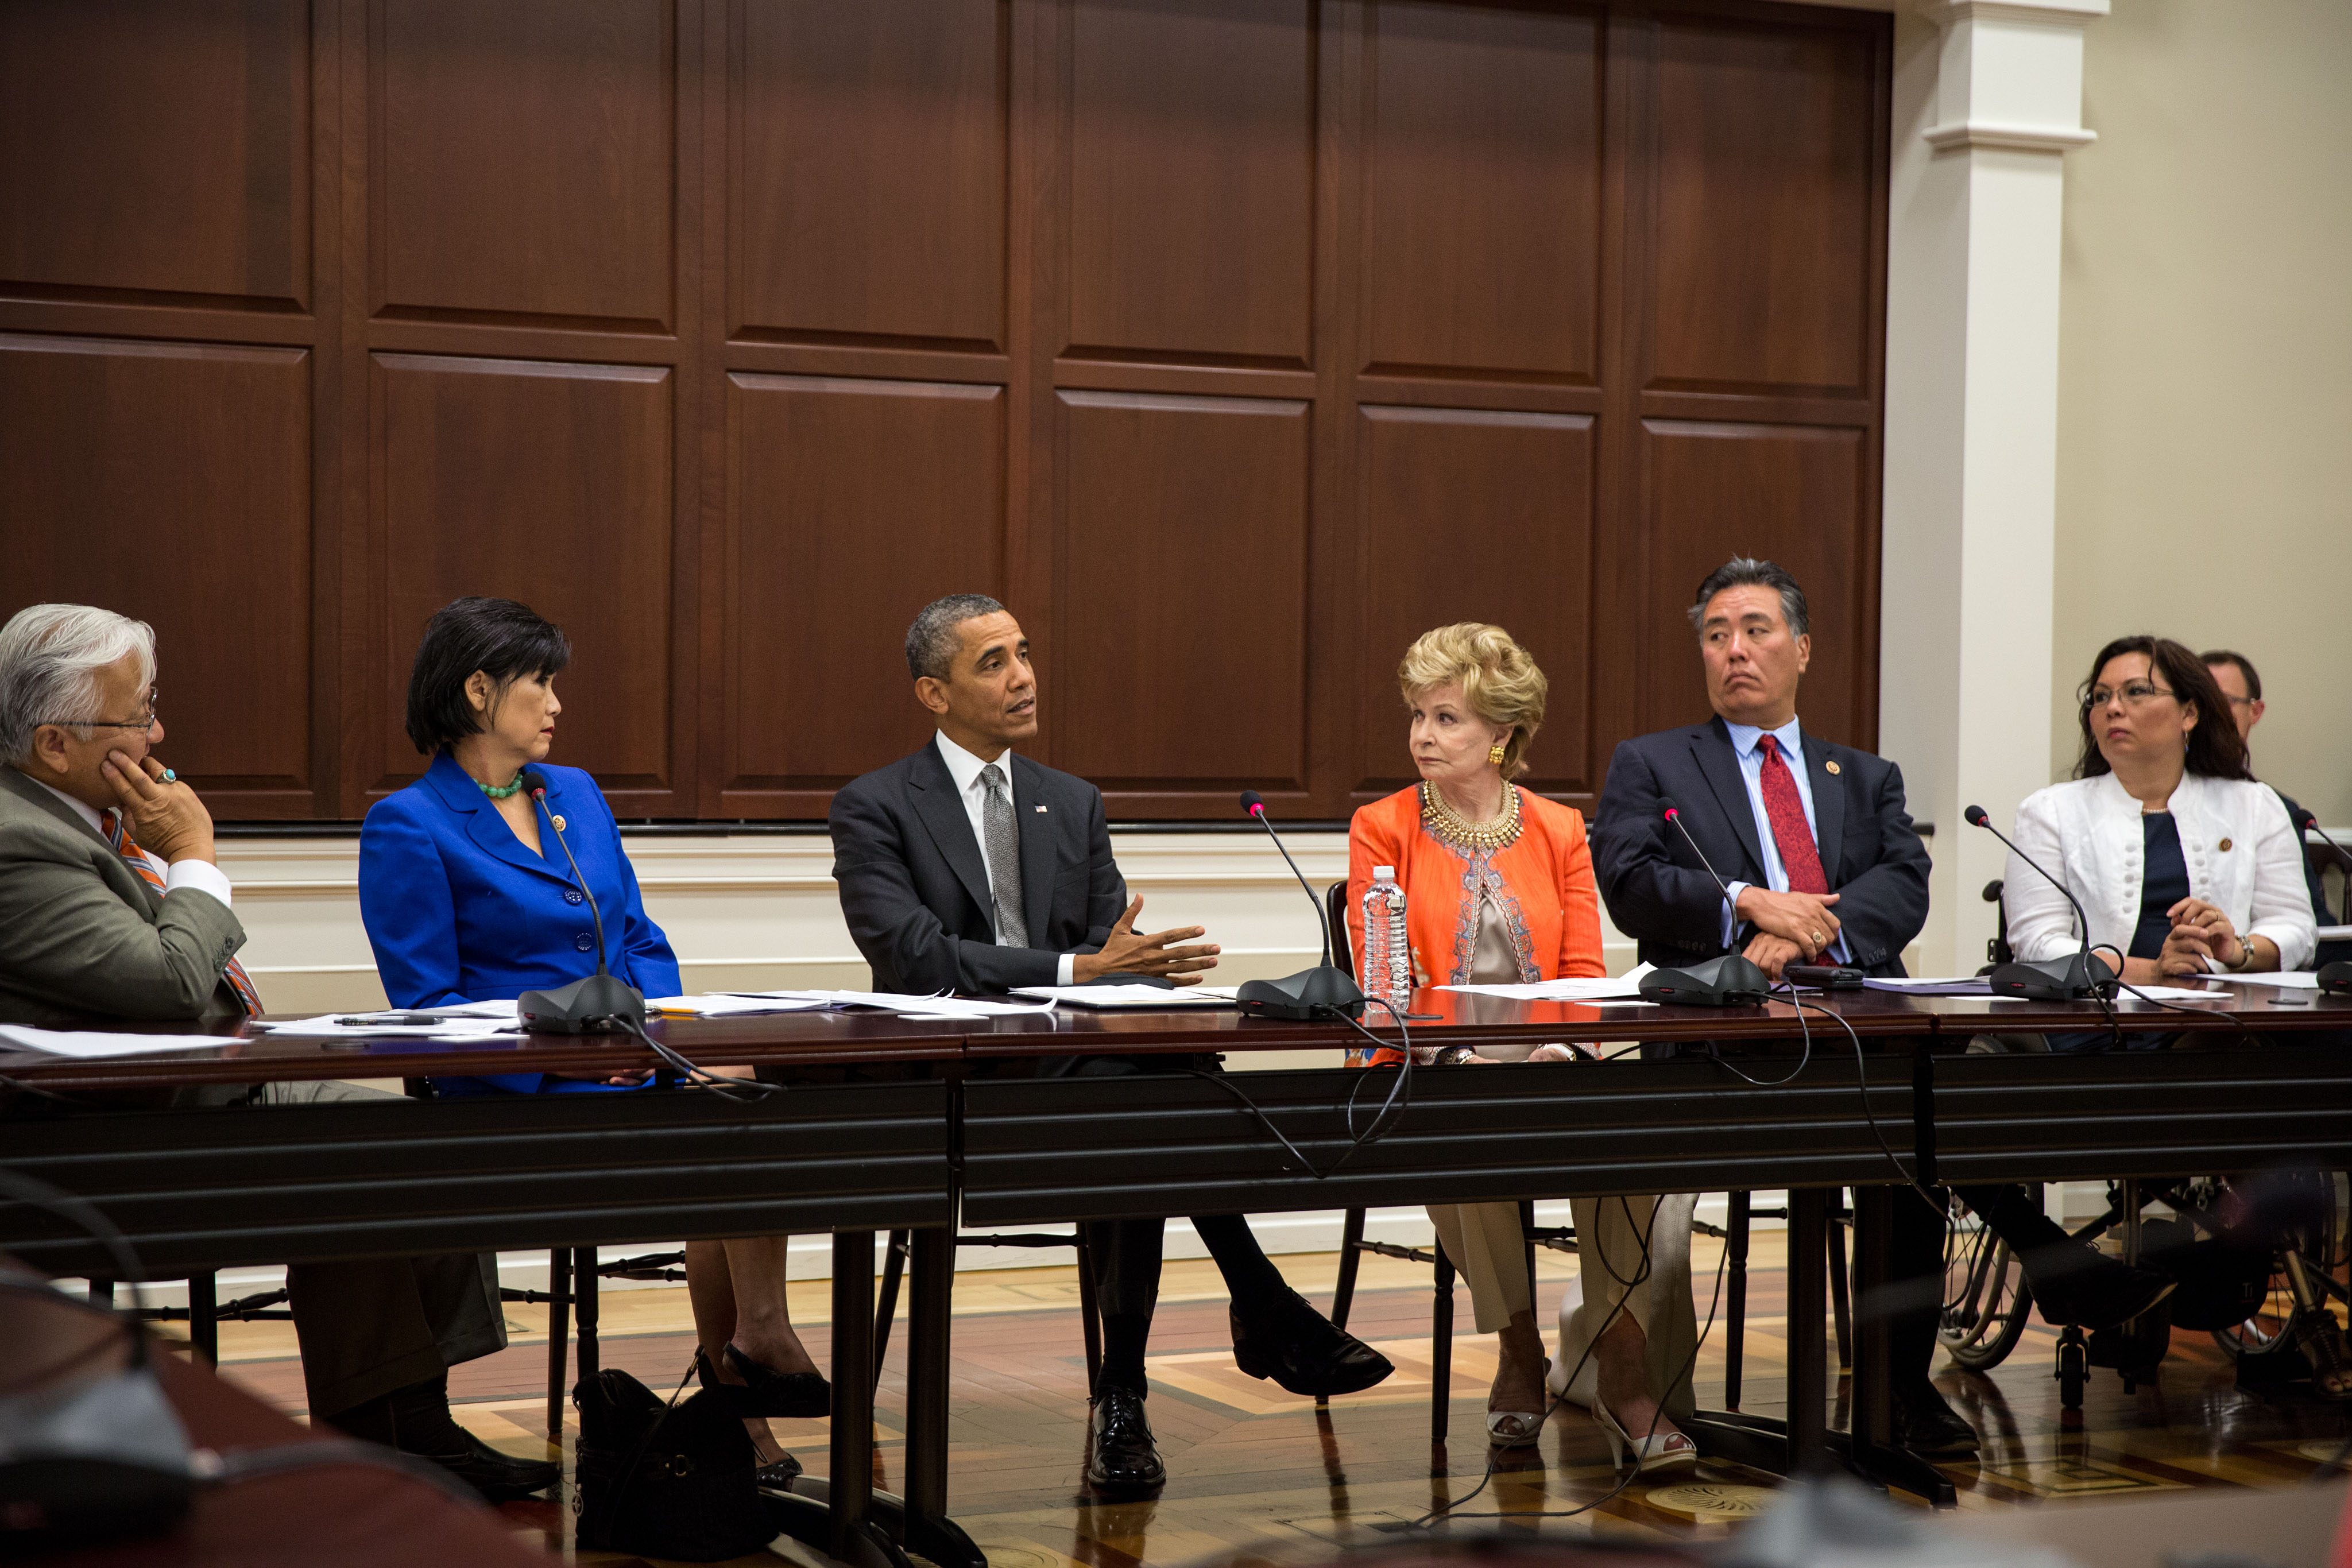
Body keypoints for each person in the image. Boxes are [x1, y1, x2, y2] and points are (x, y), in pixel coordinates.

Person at [830, 593, 1392, 1492]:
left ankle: (1132, 1386)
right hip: (958, 1076)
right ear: (933, 694)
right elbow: (913, 953)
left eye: (1023, 653)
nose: (1023, 676)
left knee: (1146, 1086)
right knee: (1158, 1089)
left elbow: (1113, 956)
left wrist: (1135, 973)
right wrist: (1081, 967)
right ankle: (1248, 1311)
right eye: (993, 663)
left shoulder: (1070, 802)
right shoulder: (875, 806)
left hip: (1084, 1074)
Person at [0, 603, 555, 1503]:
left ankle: (410, 1423)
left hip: (183, 1087)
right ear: (56, 741)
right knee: (374, 1144)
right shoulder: (18, 838)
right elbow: (171, 980)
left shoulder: (76, 812)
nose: (158, 732)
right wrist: (193, 853)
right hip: (107, 1130)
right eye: (137, 714)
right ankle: (386, 1433)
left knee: (415, 1130)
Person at [357, 597, 822, 1485]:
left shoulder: (572, 793)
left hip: (633, 1071)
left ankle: (750, 1346)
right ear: (481, 689)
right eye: (542, 682)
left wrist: (649, 1033)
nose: (558, 703)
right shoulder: (408, 823)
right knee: (721, 1120)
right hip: (517, 1102)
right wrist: (565, 1057)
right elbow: (428, 1007)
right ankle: (742, 1380)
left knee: (737, 1074)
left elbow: (641, 939)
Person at [1591, 557, 1979, 1457]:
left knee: (1930, 1129)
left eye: (1757, 629)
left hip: (1855, 1015)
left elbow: (1903, 885)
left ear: (1801, 648)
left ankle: (1898, 1388)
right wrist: (1744, 900)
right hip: (1717, 1035)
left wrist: (1805, 927)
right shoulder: (1651, 762)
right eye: (1717, 633)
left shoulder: (1864, 773)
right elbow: (1632, 883)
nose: (1736, 649)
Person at [1346, 623, 1694, 1469]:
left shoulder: (1558, 828)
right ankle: (1517, 1345)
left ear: (1501, 734)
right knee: (1468, 1135)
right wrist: (1457, 1055)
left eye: (1447, 718)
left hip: (1552, 1058)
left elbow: (1582, 969)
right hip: (1435, 1063)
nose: (1422, 736)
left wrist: (1564, 1050)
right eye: (1418, 716)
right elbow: (1382, 977)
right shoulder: (1381, 825)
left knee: (1624, 1134)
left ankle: (1619, 1356)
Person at [2203, 649, 2345, 966]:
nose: (2209, 713)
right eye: (2200, 700)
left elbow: (2312, 928)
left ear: (2256, 711)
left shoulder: (2274, 808)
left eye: (2223, 701)